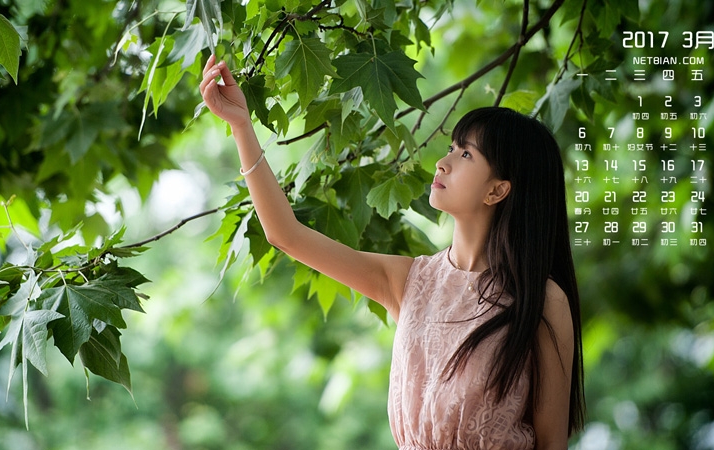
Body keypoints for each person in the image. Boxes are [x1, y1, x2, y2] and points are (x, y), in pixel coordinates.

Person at [199, 55, 585, 449]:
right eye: (452, 147)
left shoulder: (542, 301)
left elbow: (551, 443)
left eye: (465, 154)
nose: (442, 163)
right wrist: (241, 126)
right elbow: (286, 235)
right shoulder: (410, 282)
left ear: (497, 190)